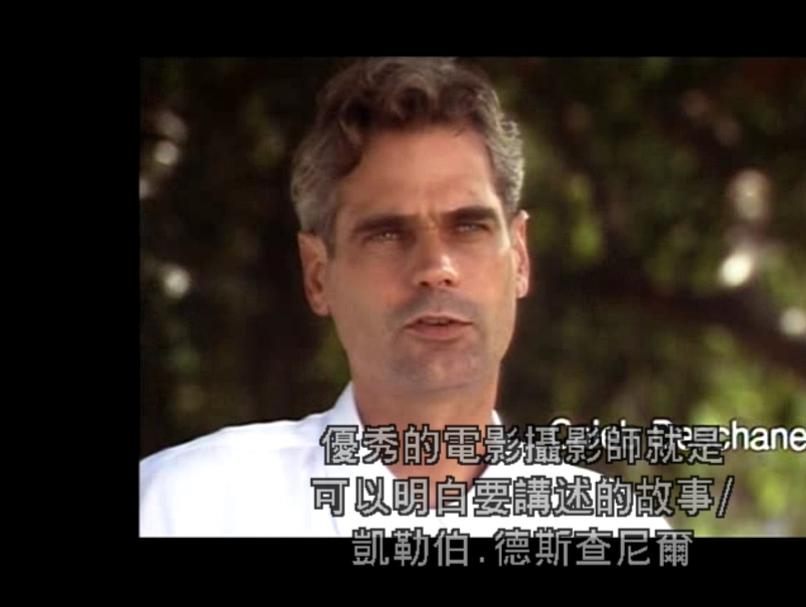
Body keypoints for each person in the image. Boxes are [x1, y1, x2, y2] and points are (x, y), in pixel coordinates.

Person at [139, 57, 671, 538]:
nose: (436, 268)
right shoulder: (186, 510)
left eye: (469, 227)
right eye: (388, 234)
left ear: (521, 258)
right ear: (318, 275)